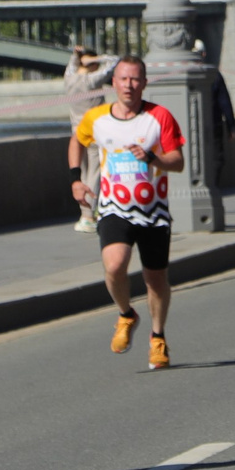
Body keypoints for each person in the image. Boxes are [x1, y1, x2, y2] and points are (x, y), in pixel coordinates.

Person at [70, 57, 187, 370]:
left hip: (154, 212)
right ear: (113, 83)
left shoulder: (159, 117)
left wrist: (153, 159)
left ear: (144, 83)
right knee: (115, 265)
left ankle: (158, 337)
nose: (129, 85)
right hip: (114, 208)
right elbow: (77, 141)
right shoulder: (97, 118)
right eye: (123, 79)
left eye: (135, 79)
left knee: (155, 279)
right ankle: (126, 314)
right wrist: (75, 179)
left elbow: (177, 161)